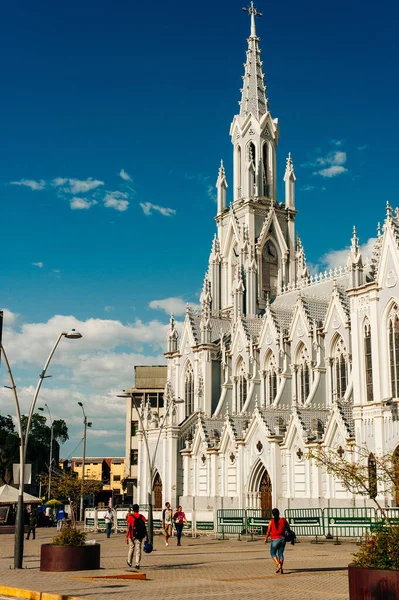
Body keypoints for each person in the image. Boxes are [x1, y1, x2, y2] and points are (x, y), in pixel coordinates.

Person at [264, 508, 288, 574]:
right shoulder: (283, 520)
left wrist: (266, 538)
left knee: (272, 553)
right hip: (283, 539)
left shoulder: (271, 521)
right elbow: (287, 527)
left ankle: (278, 564)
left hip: (275, 539)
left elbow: (268, 531)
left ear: (273, 514)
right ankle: (280, 569)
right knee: (281, 553)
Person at [126, 503, 147, 570]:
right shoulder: (141, 516)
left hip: (131, 535)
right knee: (138, 549)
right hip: (139, 535)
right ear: (138, 509)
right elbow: (144, 525)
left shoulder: (130, 517)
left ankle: (129, 562)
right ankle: (137, 564)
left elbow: (129, 527)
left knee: (131, 548)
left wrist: (127, 536)